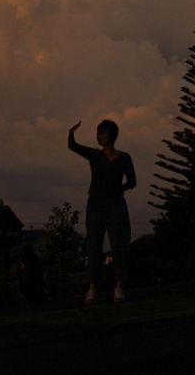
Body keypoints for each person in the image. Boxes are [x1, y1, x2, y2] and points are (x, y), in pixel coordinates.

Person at [67, 119, 135, 303]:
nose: (98, 136)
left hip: (115, 203)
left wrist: (119, 189)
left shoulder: (124, 158)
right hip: (95, 203)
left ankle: (119, 287)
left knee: (118, 244)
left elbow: (132, 181)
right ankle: (92, 289)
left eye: (101, 132)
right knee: (93, 245)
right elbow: (73, 146)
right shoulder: (94, 155)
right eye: (97, 132)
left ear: (111, 135)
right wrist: (71, 131)